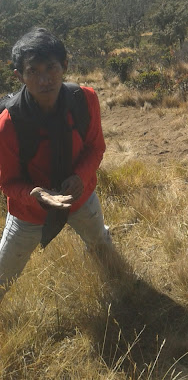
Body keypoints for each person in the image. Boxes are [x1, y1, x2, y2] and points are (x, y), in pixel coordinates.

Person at [0, 28, 111, 295]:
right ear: (19, 76)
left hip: (80, 198)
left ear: (65, 65)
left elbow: (96, 148)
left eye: (51, 67)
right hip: (29, 213)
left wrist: (80, 178)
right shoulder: (8, 125)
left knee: (101, 245)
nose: (44, 79)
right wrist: (36, 194)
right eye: (33, 71)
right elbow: (8, 183)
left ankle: (118, 284)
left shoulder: (85, 100)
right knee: (3, 274)